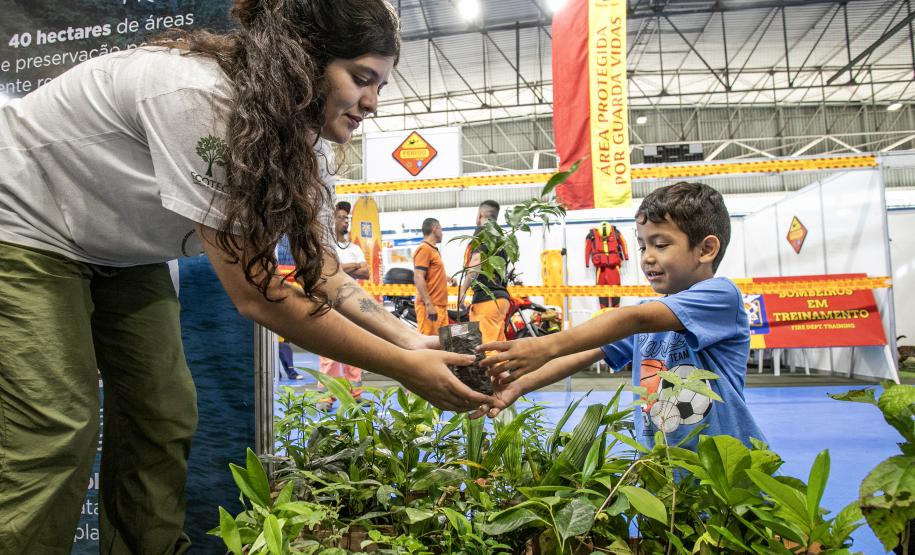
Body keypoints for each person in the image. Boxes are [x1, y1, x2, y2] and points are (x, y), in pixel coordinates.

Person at [0, 1, 491, 552]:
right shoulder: (201, 97)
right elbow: (259, 297)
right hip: (22, 221)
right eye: (361, 79)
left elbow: (322, 270)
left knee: (163, 412)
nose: (373, 103)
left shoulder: (308, 142)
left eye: (380, 84)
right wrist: (404, 367)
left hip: (116, 249)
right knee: (56, 426)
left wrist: (410, 338)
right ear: (303, 59)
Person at [479, 182, 766, 451]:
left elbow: (633, 319)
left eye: (660, 245)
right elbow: (585, 353)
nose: (647, 257)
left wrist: (545, 345)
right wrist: (517, 385)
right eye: (642, 246)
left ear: (706, 249)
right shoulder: (649, 316)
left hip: (724, 471)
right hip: (661, 469)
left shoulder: (719, 296)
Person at [318, 201, 368, 395]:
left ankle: (354, 393)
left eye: (346, 218)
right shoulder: (326, 247)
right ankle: (325, 396)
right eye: (340, 217)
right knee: (328, 349)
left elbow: (366, 273)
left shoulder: (354, 248)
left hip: (352, 304)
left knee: (353, 347)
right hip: (329, 304)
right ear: (332, 221)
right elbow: (330, 270)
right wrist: (353, 266)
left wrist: (344, 267)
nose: (344, 221)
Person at [458, 200, 511, 344]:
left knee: (487, 348)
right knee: (498, 346)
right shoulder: (501, 238)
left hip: (486, 300)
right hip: (500, 299)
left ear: (480, 214)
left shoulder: (483, 234)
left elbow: (476, 262)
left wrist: (462, 292)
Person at [413, 217, 449, 336]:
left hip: (440, 307)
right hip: (430, 307)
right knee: (429, 347)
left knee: (442, 345)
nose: (442, 233)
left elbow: (432, 274)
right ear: (435, 228)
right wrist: (429, 305)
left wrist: (448, 279)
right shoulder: (424, 249)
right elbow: (418, 277)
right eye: (441, 229)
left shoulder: (433, 250)